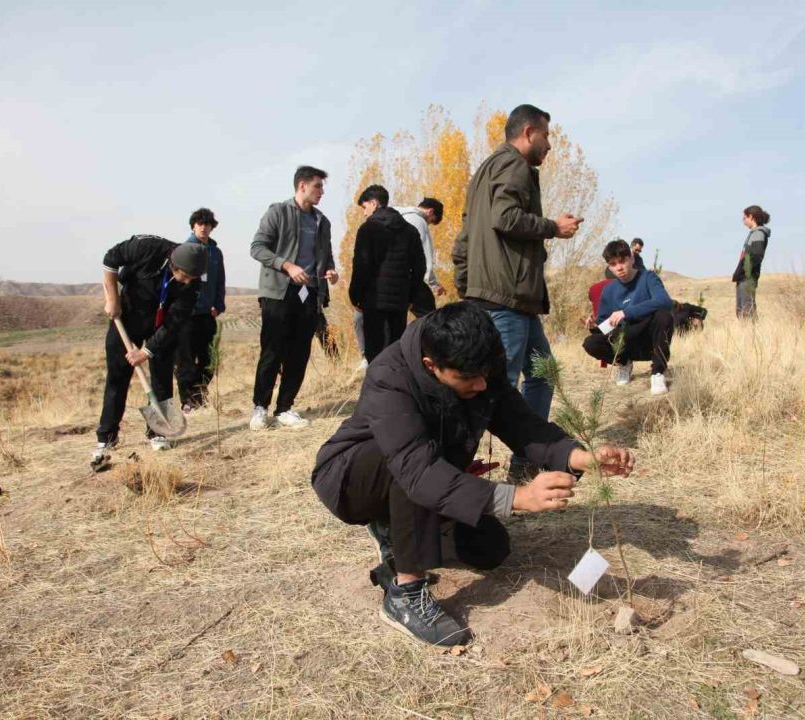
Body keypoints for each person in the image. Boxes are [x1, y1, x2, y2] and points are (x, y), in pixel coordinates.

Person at [311, 302, 636, 646]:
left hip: (423, 473)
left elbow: (523, 426)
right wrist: (519, 497)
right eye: (469, 378)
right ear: (430, 365)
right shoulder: (390, 377)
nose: (482, 385)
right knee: (414, 465)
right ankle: (405, 593)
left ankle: (396, 531)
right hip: (353, 480)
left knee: (490, 548)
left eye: (486, 374)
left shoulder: (479, 366)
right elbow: (418, 470)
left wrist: (581, 457)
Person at [452, 103, 583, 478]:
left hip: (503, 296)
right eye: (546, 136)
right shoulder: (515, 165)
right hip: (505, 298)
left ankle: (526, 457)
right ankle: (455, 467)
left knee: (542, 373)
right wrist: (552, 228)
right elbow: (505, 217)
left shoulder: (484, 171)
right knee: (497, 388)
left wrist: (468, 286)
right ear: (528, 133)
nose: (550, 145)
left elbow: (463, 241)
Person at [91, 235, 207, 468]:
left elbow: (175, 322)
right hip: (128, 315)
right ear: (174, 264)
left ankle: (158, 432)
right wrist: (113, 298)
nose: (186, 282)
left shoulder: (194, 283)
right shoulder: (147, 247)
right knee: (117, 376)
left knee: (162, 375)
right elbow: (110, 259)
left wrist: (147, 351)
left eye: (191, 279)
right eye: (183, 276)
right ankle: (106, 438)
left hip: (161, 325)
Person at [249, 166, 339, 431]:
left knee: (300, 352)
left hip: (310, 293)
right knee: (273, 350)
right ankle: (259, 407)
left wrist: (329, 270)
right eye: (317, 186)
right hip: (278, 291)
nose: (322, 192)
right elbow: (257, 248)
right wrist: (286, 265)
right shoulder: (278, 212)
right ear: (302, 186)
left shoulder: (323, 221)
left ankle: (285, 408)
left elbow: (327, 255)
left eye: (322, 187)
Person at [582, 240, 673, 394]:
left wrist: (626, 312)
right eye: (613, 264)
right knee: (591, 343)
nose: (619, 267)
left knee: (663, 315)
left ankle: (657, 373)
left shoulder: (648, 277)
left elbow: (664, 301)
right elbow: (607, 324)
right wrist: (595, 326)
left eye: (622, 261)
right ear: (609, 267)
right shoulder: (609, 290)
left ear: (631, 259)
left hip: (650, 340)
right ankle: (624, 363)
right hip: (626, 341)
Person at [349, 185, 426, 361]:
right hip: (399, 302)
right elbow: (420, 267)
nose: (364, 213)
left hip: (373, 302)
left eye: (365, 207)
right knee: (395, 352)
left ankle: (377, 387)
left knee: (375, 355)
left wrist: (355, 296)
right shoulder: (410, 231)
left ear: (374, 203)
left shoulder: (368, 229)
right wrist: (410, 298)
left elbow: (361, 266)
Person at [175, 208, 226, 413]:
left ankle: (198, 395)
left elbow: (220, 280)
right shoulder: (184, 249)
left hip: (207, 313)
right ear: (193, 226)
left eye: (208, 224)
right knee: (185, 361)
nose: (204, 227)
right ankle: (189, 402)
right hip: (186, 315)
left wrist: (219, 305)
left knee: (208, 360)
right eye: (200, 223)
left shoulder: (215, 252)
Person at [396, 198, 446, 318]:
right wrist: (434, 284)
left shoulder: (398, 216)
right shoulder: (419, 221)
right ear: (430, 211)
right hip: (406, 276)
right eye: (430, 222)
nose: (428, 224)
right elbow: (424, 257)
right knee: (430, 316)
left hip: (387, 277)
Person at [731, 206, 771, 319]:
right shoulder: (754, 233)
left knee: (747, 310)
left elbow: (756, 256)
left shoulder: (758, 233)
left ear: (751, 217)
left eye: (744, 218)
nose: (743, 221)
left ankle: (752, 335)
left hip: (748, 277)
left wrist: (745, 272)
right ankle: (745, 335)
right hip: (744, 277)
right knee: (741, 310)